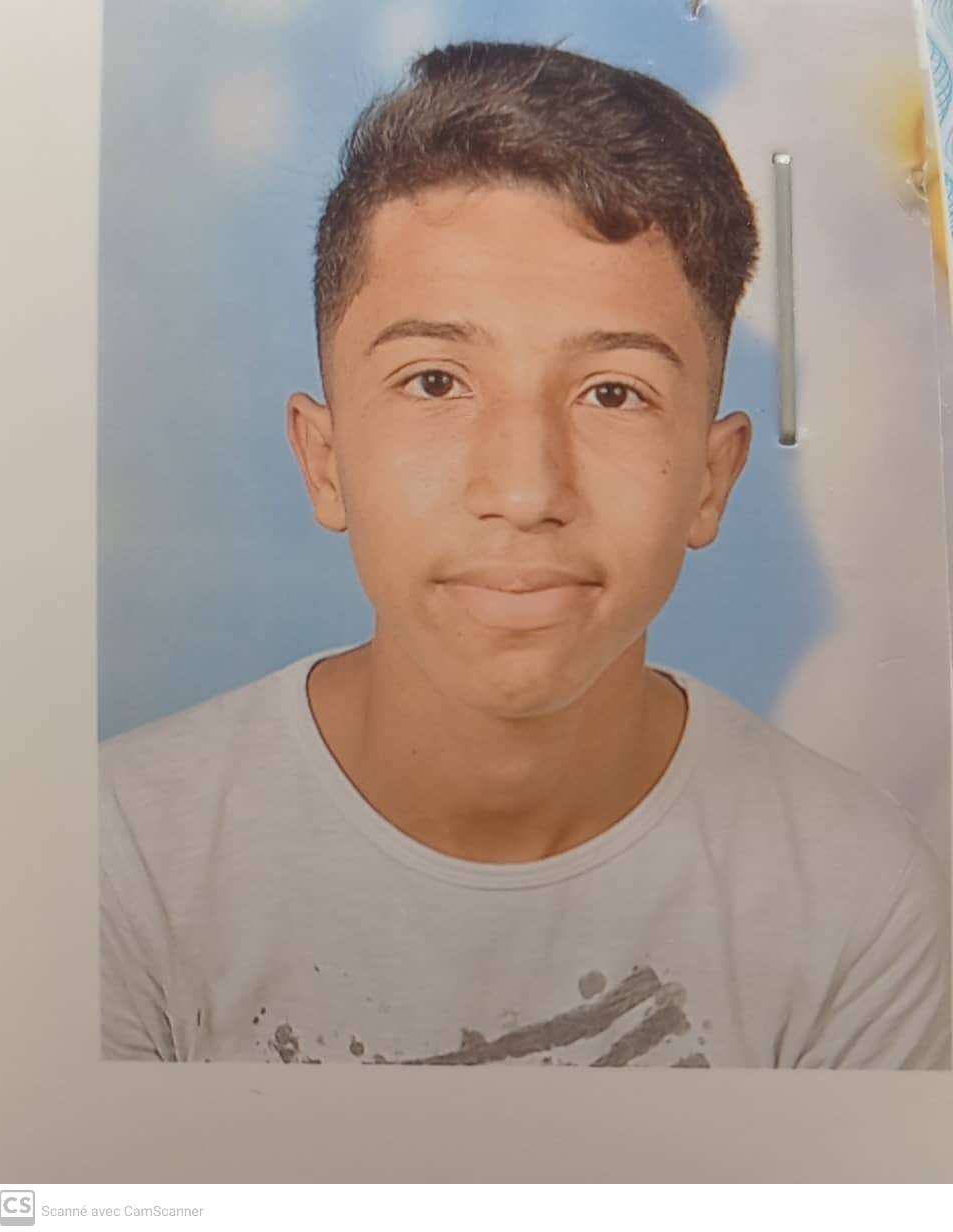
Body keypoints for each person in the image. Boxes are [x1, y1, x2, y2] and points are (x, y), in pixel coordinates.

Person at [100, 40, 950, 1068]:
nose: (525, 490)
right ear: (324, 461)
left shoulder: (858, 901)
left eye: (612, 392)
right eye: (435, 382)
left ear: (712, 477)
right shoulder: (114, 862)